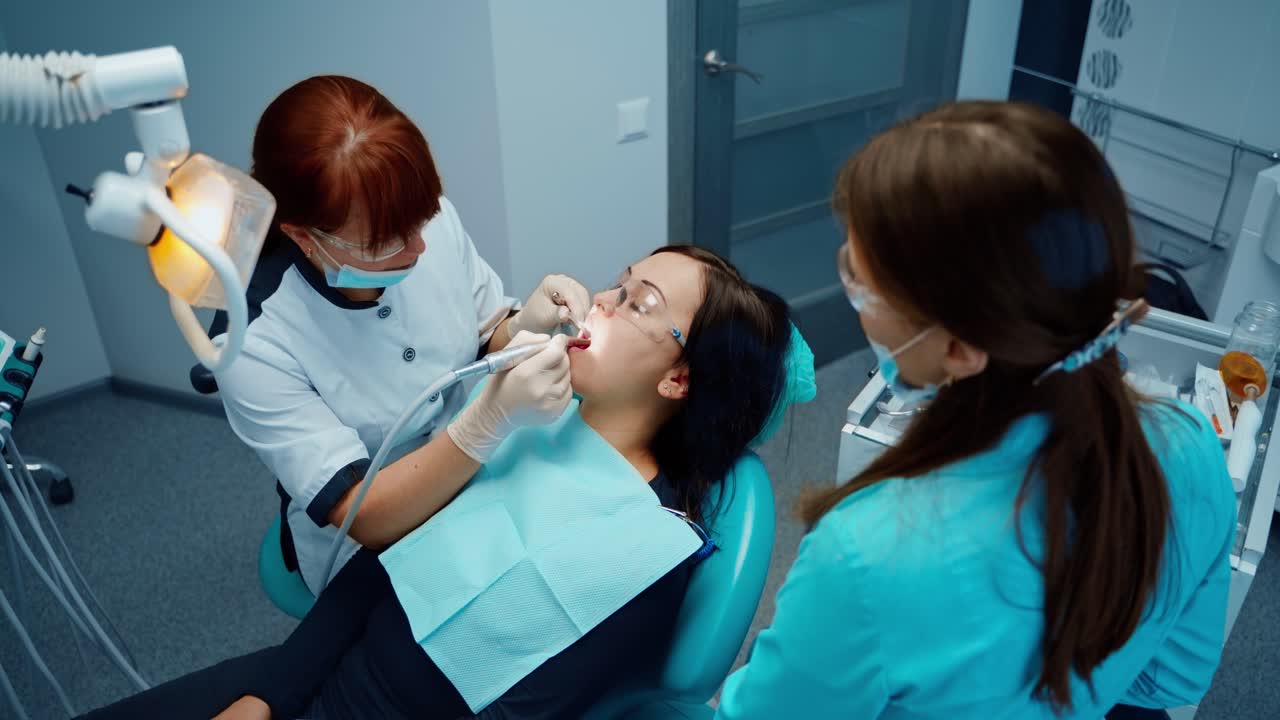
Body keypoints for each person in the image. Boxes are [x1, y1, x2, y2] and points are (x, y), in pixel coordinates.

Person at [80, 246, 806, 720]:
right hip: (315, 673)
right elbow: (377, 577)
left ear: (679, 378)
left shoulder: (649, 549)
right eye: (617, 283)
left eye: (638, 304)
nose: (602, 302)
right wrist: (266, 699)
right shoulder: (526, 421)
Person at [715, 102, 1236, 719]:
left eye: (862, 283)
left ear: (960, 348)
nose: (854, 296)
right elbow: (1169, 684)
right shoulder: (1191, 445)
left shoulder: (868, 551)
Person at [212, 75, 592, 591]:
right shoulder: (252, 340)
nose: (419, 250)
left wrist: (522, 324)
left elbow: (484, 334)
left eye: (424, 218)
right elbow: (359, 517)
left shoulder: (415, 222)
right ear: (302, 236)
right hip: (370, 540)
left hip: (475, 480)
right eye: (385, 242)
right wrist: (483, 422)